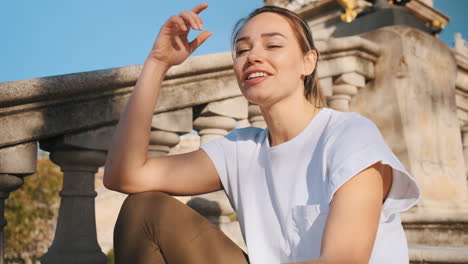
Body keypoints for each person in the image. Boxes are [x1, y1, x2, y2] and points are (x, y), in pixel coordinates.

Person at [104, 3, 421, 264]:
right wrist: (157, 64)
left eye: (273, 45)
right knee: (144, 209)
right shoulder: (240, 150)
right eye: (242, 50)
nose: (253, 56)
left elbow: (343, 260)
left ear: (308, 62)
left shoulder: (349, 134)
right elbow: (125, 176)